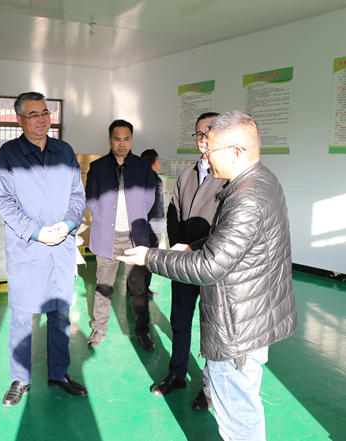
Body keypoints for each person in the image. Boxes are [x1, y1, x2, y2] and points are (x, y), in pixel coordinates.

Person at [119, 110, 296, 441]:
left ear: (235, 152)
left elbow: (210, 266)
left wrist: (150, 257)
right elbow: (228, 239)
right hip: (252, 315)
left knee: (238, 419)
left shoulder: (245, 197)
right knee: (244, 406)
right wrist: (192, 245)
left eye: (210, 149)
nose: (205, 154)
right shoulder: (261, 181)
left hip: (237, 327)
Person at [0, 91, 87, 407]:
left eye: (45, 112)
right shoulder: (9, 154)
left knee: (60, 315)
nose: (41, 119)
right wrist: (36, 232)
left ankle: (58, 374)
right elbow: (3, 200)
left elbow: (77, 194)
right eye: (33, 114)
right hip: (28, 248)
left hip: (61, 246)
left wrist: (68, 224)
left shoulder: (64, 151)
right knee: (23, 316)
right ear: (20, 120)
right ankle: (20, 379)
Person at [150, 112, 226, 411]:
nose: (203, 138)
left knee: (212, 326)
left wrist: (192, 247)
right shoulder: (187, 174)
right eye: (199, 133)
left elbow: (224, 228)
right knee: (180, 322)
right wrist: (177, 246)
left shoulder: (229, 176)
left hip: (212, 263)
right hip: (184, 263)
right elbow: (174, 212)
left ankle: (210, 386)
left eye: (209, 132)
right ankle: (177, 374)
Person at [85, 120, 156, 349]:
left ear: (131, 140)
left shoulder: (143, 167)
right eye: (117, 139)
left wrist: (137, 216)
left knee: (138, 289)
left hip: (135, 238)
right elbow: (91, 199)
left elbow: (149, 198)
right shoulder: (97, 167)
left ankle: (143, 331)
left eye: (126, 139)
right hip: (107, 236)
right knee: (103, 286)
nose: (122, 143)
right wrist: (102, 218)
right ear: (110, 140)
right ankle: (99, 328)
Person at [140, 149, 165, 298]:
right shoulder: (155, 179)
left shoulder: (137, 177)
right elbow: (156, 205)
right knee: (148, 257)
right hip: (152, 226)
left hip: (138, 224)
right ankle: (144, 289)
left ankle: (132, 286)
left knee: (137, 255)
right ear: (156, 162)